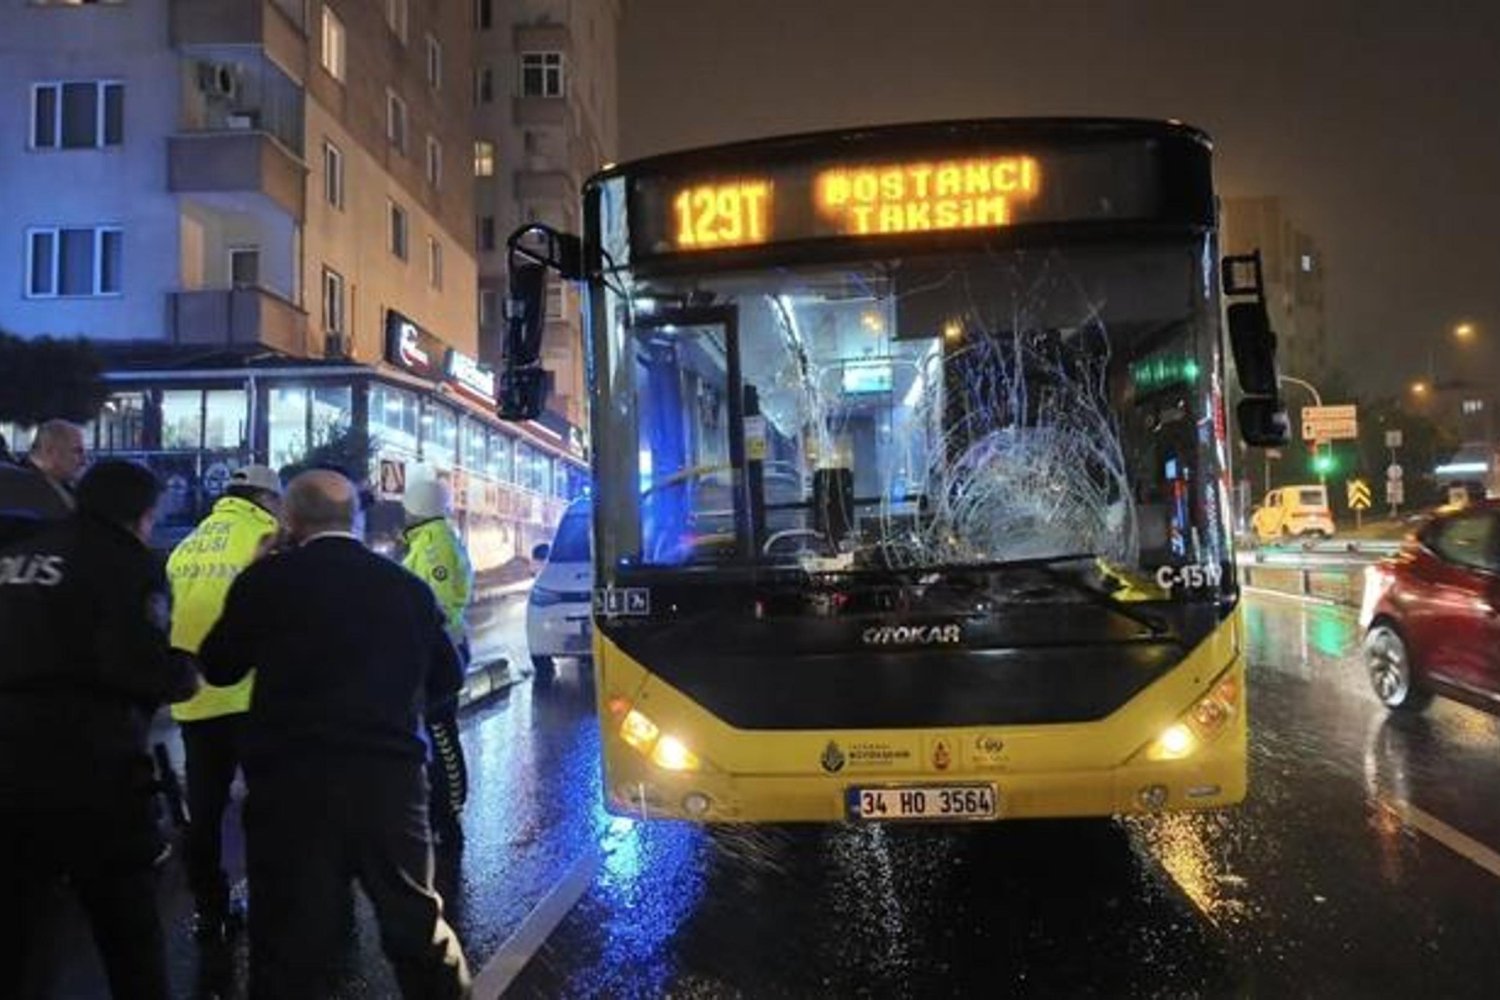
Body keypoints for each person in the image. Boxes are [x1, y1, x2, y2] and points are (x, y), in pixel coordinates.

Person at [198, 470, 470, 1000]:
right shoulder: (406, 587)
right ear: (357, 519)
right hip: (389, 784)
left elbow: (220, 666)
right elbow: (446, 677)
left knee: (287, 939)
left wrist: (255, 574)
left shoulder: (266, 582)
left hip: (290, 787)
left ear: (289, 520)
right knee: (415, 928)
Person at [0, 460, 200, 1000]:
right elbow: (133, 664)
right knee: (128, 931)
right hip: (94, 771)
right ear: (139, 512)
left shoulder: (18, 554)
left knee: (19, 931)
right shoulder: (125, 563)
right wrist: (182, 672)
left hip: (9, 770)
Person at [166, 464, 284, 944]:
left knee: (205, 811)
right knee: (270, 807)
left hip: (193, 697)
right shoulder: (266, 537)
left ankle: (210, 910)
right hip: (253, 694)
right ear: (268, 499)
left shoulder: (187, 545)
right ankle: (272, 902)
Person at [401, 474, 474, 847]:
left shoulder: (432, 546)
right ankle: (442, 811)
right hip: (440, 647)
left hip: (438, 650)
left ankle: (449, 814)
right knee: (437, 731)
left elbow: (436, 605)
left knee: (440, 731)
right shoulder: (432, 540)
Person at [0, 419, 87, 547]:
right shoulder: (18, 487)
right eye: (77, 451)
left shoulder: (59, 484)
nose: (84, 460)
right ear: (50, 451)